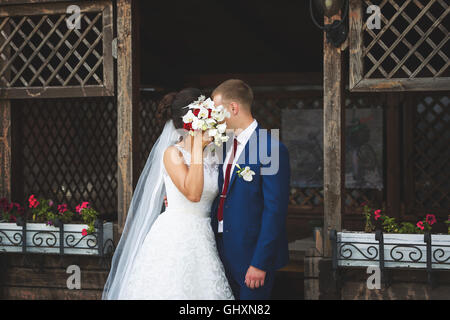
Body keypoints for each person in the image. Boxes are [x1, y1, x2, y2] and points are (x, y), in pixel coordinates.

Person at [102, 88, 234, 300]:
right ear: (193, 122)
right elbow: (193, 194)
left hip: (203, 236)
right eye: (207, 116)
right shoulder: (172, 154)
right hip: (176, 236)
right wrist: (198, 150)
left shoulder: (213, 155)